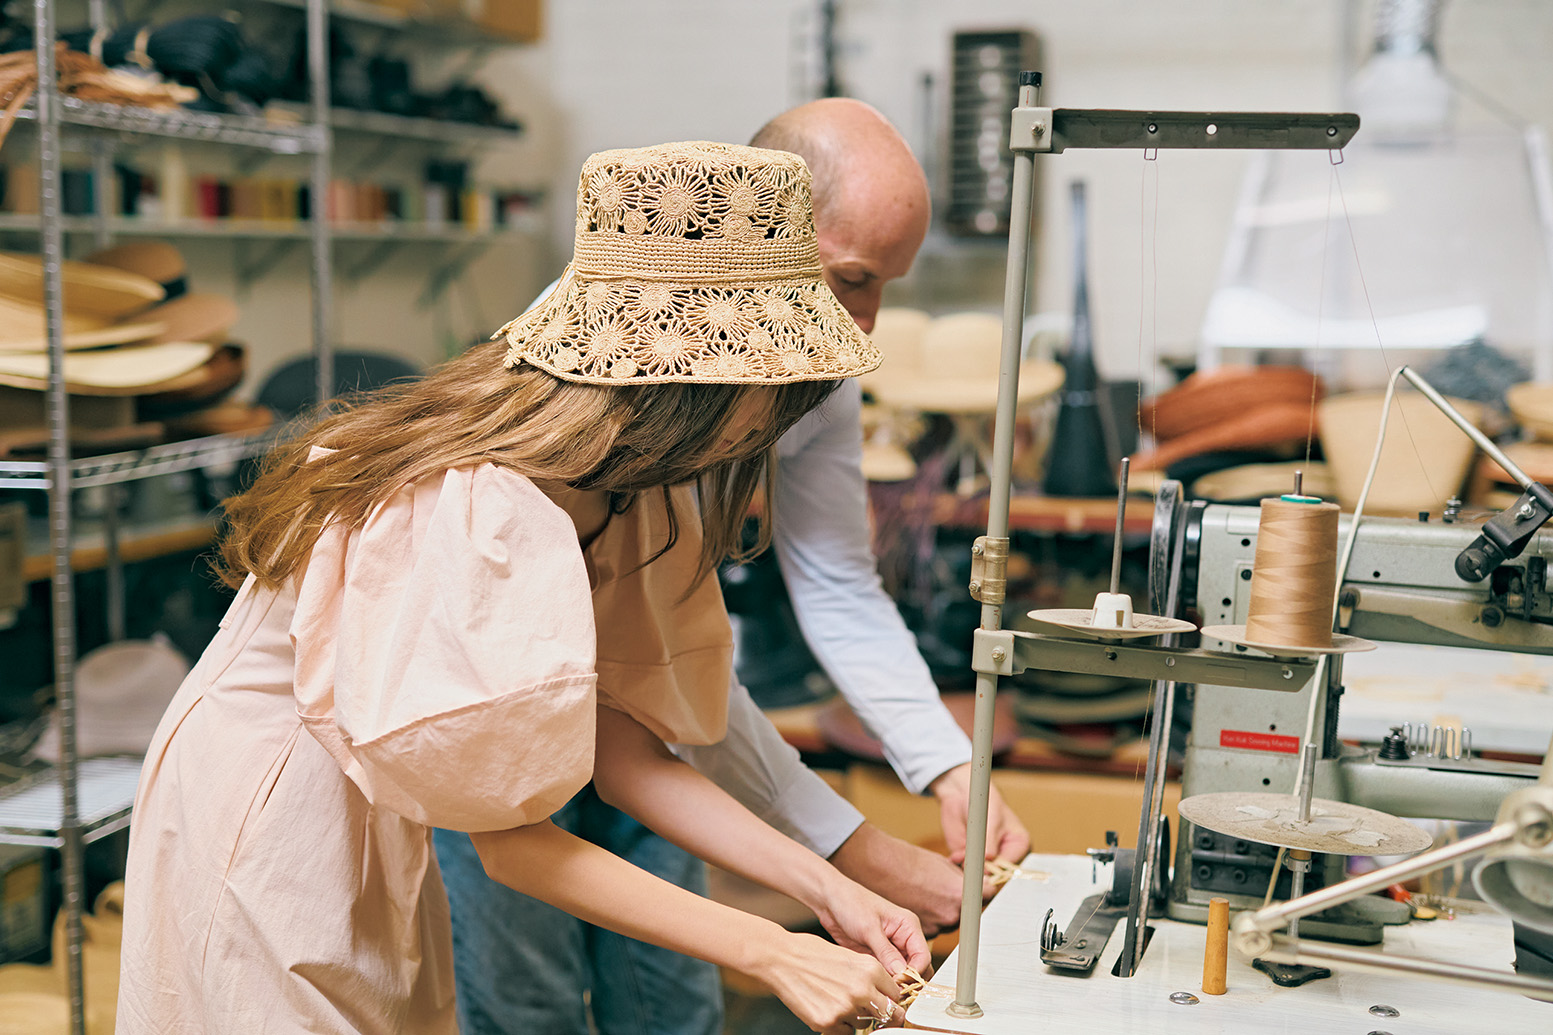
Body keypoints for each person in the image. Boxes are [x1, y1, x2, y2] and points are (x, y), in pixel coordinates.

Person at [115, 141, 933, 1035]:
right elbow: (511, 844)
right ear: (696, 376)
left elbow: (620, 749)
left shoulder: (629, 483)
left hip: (381, 807)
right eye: (769, 378)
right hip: (277, 812)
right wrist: (775, 949)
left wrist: (829, 889)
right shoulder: (478, 500)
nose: (783, 406)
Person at [436, 100, 1031, 1035]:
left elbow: (659, 699)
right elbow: (535, 805)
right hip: (492, 743)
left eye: (886, 289)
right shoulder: (596, 413)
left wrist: (942, 773)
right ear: (766, 245)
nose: (865, 326)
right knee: (528, 1006)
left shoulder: (788, 392)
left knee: (671, 1002)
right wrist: (847, 862)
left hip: (633, 737)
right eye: (851, 279)